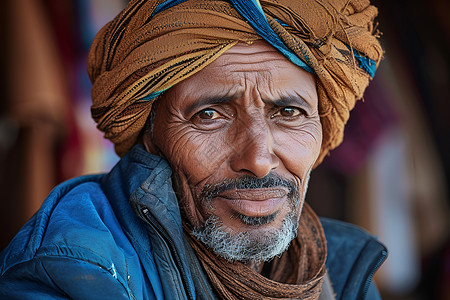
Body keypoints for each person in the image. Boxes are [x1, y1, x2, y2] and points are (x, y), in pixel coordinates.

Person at [0, 0, 387, 299]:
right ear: (150, 133)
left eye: (288, 112)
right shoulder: (75, 269)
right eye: (209, 115)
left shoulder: (343, 266)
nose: (257, 158)